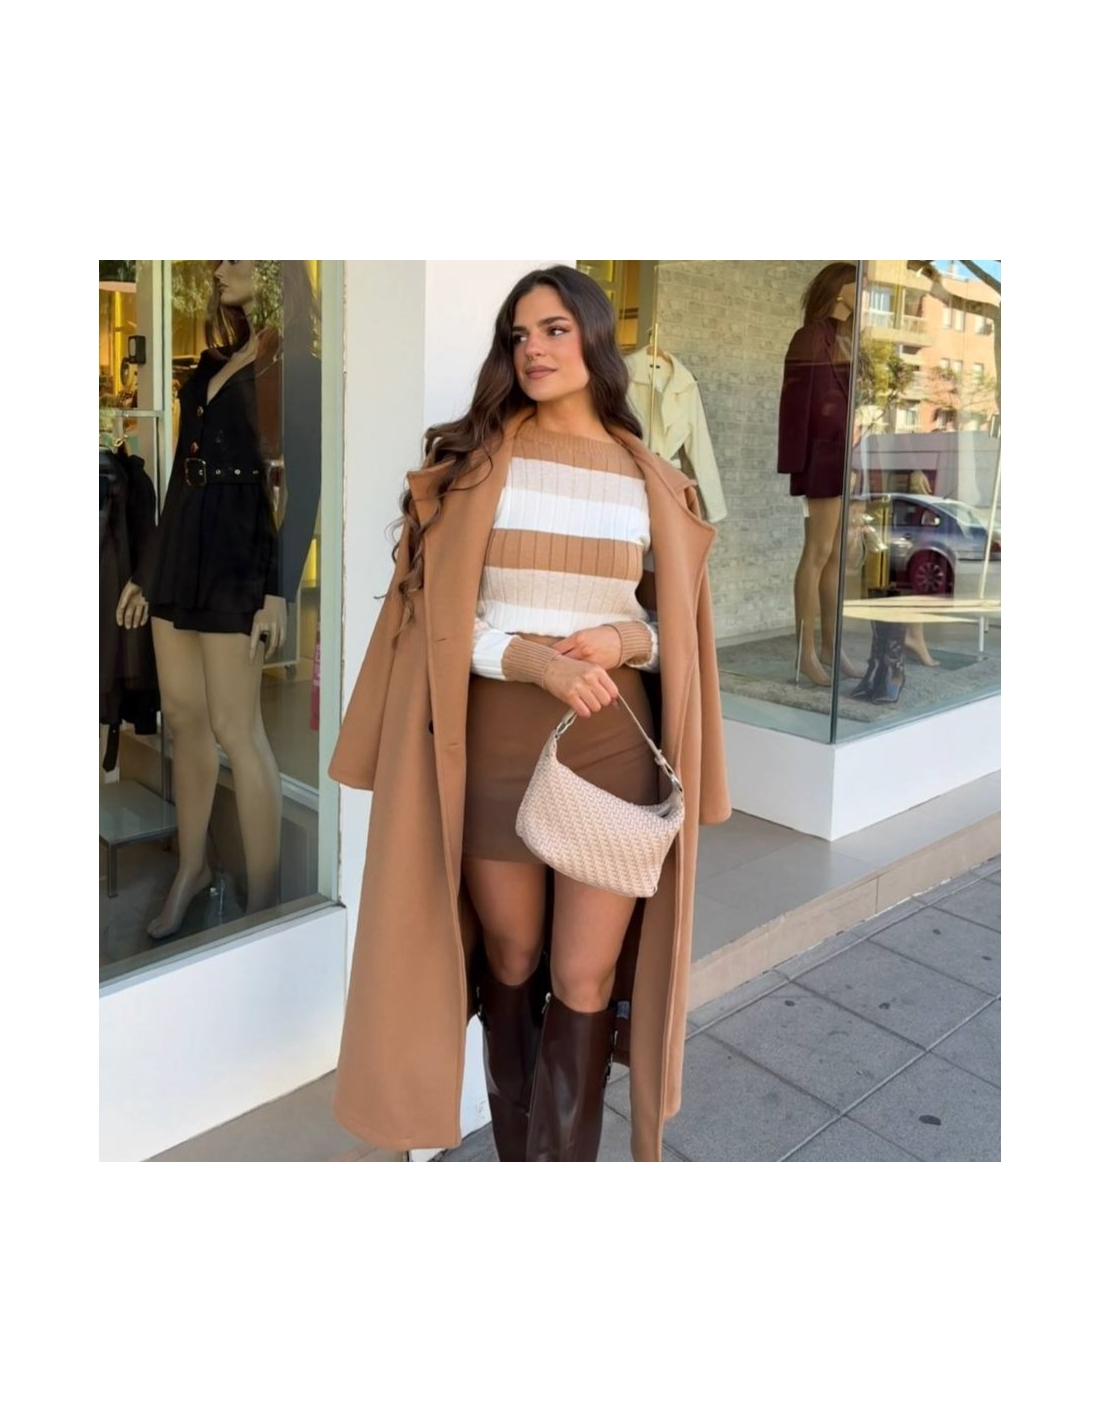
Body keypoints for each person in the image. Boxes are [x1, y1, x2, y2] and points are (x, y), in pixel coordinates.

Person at [328, 265, 730, 1162]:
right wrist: (533, 660)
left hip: (611, 747)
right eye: (520, 335)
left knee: (585, 976)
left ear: (594, 338)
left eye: (554, 330)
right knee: (511, 959)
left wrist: (621, 641)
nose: (534, 350)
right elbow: (437, 624)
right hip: (495, 744)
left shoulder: (650, 480)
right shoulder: (478, 468)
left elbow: (679, 634)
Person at [115, 260, 321, 939]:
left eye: (236, 256)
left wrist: (277, 590)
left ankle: (264, 904)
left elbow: (308, 486)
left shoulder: (297, 368)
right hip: (183, 549)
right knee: (184, 717)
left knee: (238, 729)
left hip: (239, 552)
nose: (219, 269)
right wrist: (147, 571)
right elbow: (180, 475)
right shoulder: (211, 364)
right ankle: (192, 869)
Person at [777, 262, 862, 685]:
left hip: (845, 457)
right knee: (817, 551)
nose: (864, 292)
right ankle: (805, 653)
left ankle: (830, 646)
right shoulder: (810, 337)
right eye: (858, 284)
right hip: (820, 458)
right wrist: (797, 465)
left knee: (836, 556)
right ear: (839, 289)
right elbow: (795, 404)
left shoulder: (847, 338)